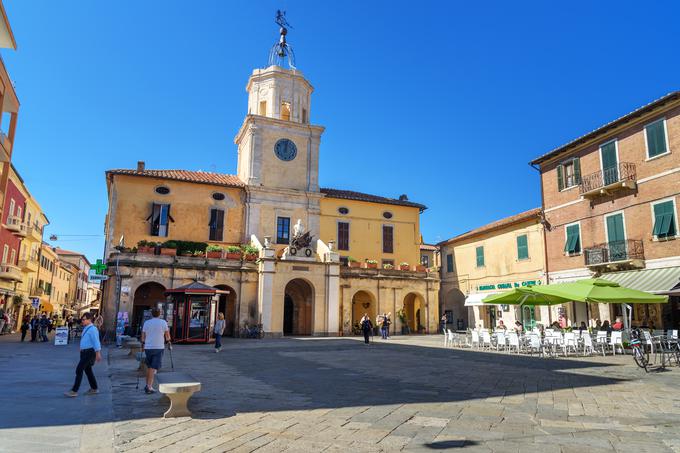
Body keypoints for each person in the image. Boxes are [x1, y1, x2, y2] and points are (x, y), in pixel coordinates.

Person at [64, 312, 101, 397]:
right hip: (84, 352)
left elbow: (96, 342)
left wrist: (98, 353)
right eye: (82, 319)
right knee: (88, 371)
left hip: (89, 352)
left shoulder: (93, 329)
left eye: (84, 319)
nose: (82, 321)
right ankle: (94, 388)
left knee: (79, 369)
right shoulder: (86, 328)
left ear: (89, 320)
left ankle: (74, 391)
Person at [141, 308, 171, 394]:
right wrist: (169, 342)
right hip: (158, 347)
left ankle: (148, 385)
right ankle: (149, 387)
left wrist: (143, 344)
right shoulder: (163, 322)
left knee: (150, 367)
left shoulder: (147, 323)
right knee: (152, 368)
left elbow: (143, 336)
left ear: (151, 314)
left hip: (148, 347)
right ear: (160, 314)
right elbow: (167, 336)